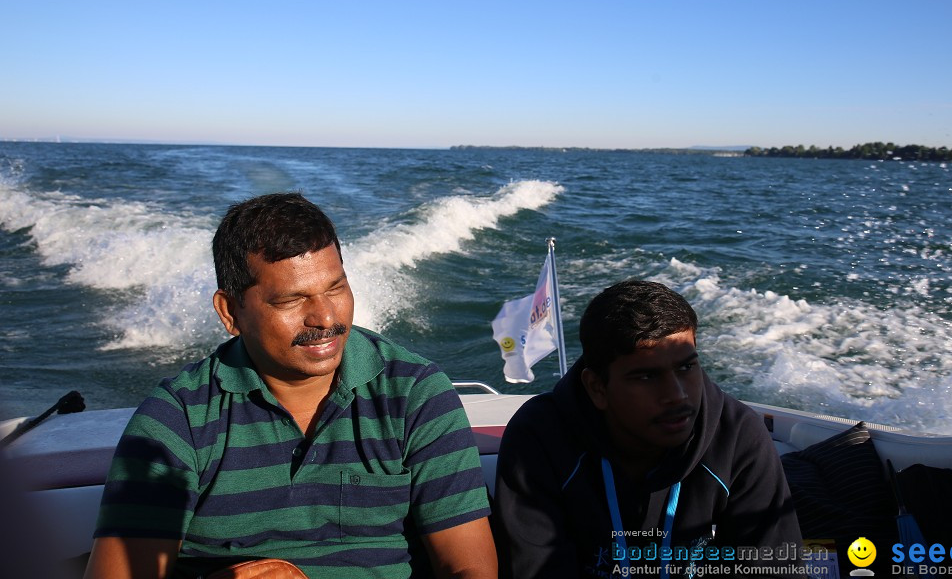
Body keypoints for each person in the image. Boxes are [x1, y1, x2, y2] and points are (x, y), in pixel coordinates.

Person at [85, 192, 496, 579]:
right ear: (230, 312)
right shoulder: (177, 421)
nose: (325, 318)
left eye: (336, 287)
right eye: (290, 301)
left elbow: (470, 569)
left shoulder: (415, 394)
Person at [493, 280, 802, 578]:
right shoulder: (539, 438)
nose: (678, 395)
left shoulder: (737, 435)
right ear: (597, 387)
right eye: (646, 377)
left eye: (686, 367)